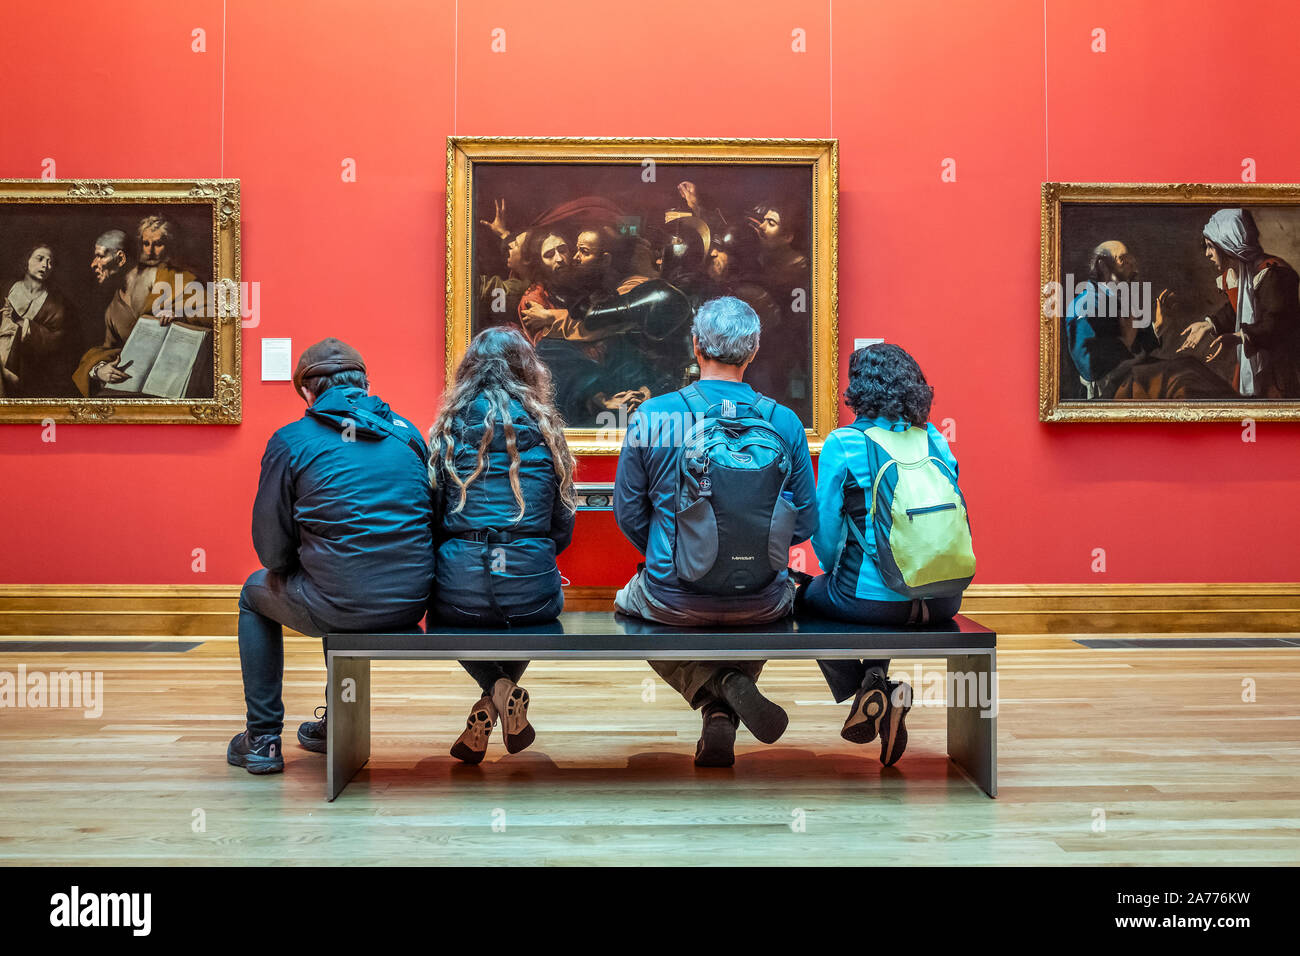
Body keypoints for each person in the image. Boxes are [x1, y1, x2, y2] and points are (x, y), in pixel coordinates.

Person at [613, 296, 816, 768]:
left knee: (628, 605)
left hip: (672, 598)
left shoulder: (653, 416)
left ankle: (716, 690)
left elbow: (627, 512)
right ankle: (725, 702)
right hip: (761, 599)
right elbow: (804, 522)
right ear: (754, 350)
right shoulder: (783, 422)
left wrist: (672, 552)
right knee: (753, 594)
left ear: (696, 345)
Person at [228, 339, 435, 774]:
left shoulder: (290, 441)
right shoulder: (408, 433)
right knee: (334, 573)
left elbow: (271, 552)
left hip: (339, 602)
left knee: (255, 593)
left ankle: (263, 738)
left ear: (307, 392)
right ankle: (336, 721)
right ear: (365, 384)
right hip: (411, 602)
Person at [798, 343, 967, 767]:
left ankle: (874, 687)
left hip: (870, 603)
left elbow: (825, 531)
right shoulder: (934, 438)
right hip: (943, 599)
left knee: (802, 598)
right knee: (877, 583)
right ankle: (877, 685)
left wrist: (832, 573)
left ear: (860, 389)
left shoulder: (846, 442)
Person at [427, 326, 577, 764]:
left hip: (459, 592)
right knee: (523, 613)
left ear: (469, 371)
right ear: (529, 371)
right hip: (533, 591)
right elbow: (562, 528)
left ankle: (494, 693)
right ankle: (500, 692)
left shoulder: (448, 428)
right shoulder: (549, 431)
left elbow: (433, 518)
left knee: (445, 612)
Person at [1178, 208, 1300, 398]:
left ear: (1229, 245)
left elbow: (1276, 325)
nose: (1207, 254)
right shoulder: (1235, 275)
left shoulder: (1272, 273)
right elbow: (1236, 309)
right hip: (1252, 363)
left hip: (1278, 368)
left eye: (1211, 246)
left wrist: (1239, 337)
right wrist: (1208, 324)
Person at [1064, 240, 1158, 398]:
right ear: (1102, 265)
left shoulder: (1119, 299)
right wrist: (1125, 341)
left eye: (1130, 259)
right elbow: (1090, 367)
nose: (1131, 265)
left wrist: (1160, 326)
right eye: (1122, 258)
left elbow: (1140, 344)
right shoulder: (1085, 305)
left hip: (1131, 383)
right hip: (1104, 398)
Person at [1, 243, 69, 397]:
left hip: (21, 365)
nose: (46, 265)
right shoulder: (7, 287)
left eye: (50, 262)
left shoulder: (55, 304)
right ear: (27, 261)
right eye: (40, 259)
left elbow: (54, 340)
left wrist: (20, 321)